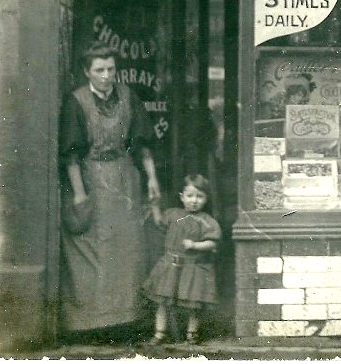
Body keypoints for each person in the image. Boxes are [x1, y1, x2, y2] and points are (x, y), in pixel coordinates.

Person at [59, 41, 162, 338]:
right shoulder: (76, 101)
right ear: (86, 72)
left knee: (128, 249)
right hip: (92, 179)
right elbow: (71, 153)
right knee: (95, 251)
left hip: (125, 179)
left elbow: (142, 143)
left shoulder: (129, 97)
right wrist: (79, 193)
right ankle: (92, 323)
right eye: (99, 70)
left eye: (111, 69)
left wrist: (152, 178)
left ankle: (127, 318)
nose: (106, 76)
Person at [143, 174, 221, 345]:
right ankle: (159, 333)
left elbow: (211, 243)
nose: (194, 200)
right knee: (163, 301)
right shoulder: (173, 214)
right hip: (171, 265)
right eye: (190, 195)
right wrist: (155, 205)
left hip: (193, 267)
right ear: (182, 197)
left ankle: (192, 334)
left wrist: (194, 245)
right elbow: (159, 223)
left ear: (206, 199)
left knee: (194, 304)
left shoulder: (208, 221)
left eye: (200, 196)